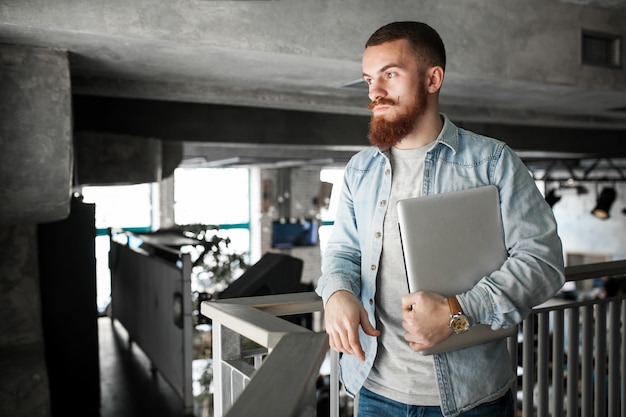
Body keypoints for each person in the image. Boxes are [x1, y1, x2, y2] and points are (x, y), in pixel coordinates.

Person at [315, 21, 565, 417]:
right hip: (375, 390)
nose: (374, 93)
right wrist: (337, 293)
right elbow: (343, 250)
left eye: (390, 75)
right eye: (368, 79)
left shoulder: (492, 161)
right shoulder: (359, 170)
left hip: (470, 398)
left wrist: (456, 312)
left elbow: (543, 262)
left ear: (433, 79)